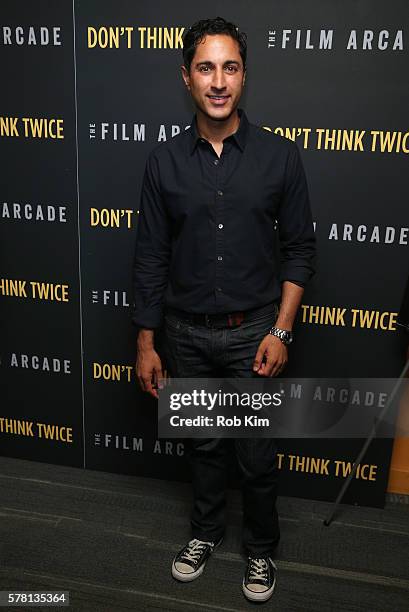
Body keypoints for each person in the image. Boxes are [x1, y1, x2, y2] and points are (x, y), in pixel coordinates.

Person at [132, 16, 316, 603]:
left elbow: (300, 251)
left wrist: (281, 331)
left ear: (244, 77)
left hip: (254, 333)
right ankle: (206, 534)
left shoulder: (280, 158)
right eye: (206, 68)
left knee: (256, 456)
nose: (218, 81)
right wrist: (146, 341)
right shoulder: (163, 162)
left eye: (230, 67)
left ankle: (260, 550)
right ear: (187, 77)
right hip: (184, 335)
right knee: (204, 447)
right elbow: (151, 255)